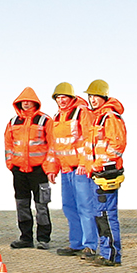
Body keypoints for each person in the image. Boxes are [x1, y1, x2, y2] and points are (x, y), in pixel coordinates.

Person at [45, 82, 97, 260]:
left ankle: (90, 245)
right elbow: (53, 146)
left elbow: (89, 140)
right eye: (58, 98)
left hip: (81, 170)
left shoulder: (82, 112)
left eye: (63, 97)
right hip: (66, 171)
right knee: (69, 207)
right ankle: (76, 244)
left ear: (71, 98)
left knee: (86, 207)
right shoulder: (57, 117)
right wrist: (52, 168)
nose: (61, 101)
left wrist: (85, 163)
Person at [81, 79, 127, 266]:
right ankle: (107, 252)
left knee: (106, 215)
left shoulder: (110, 117)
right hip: (97, 174)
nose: (92, 100)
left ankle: (111, 255)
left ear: (103, 97)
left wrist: (99, 164)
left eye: (95, 96)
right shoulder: (97, 118)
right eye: (90, 96)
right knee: (100, 215)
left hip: (107, 173)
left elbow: (117, 146)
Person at [4, 87, 54, 249]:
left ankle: (43, 239)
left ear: (35, 102)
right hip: (19, 171)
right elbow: (8, 144)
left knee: (41, 204)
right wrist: (10, 163)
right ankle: (25, 238)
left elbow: (52, 144)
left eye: (28, 101)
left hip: (39, 170)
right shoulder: (12, 122)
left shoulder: (45, 120)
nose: (25, 103)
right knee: (22, 204)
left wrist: (47, 166)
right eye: (22, 101)